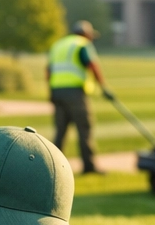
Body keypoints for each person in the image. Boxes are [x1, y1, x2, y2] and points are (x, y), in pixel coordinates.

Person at [48, 21, 112, 175]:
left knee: (60, 131)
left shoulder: (58, 45)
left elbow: (48, 70)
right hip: (75, 93)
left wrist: (50, 91)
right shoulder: (82, 44)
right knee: (84, 129)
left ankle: (51, 167)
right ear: (85, 34)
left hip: (57, 91)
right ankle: (89, 166)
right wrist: (103, 87)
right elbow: (92, 65)